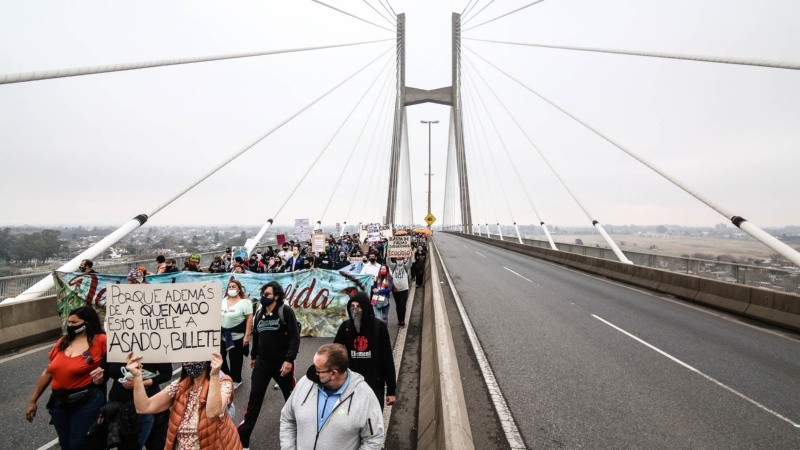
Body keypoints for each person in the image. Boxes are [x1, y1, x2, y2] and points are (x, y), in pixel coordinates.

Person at [26, 306, 107, 450]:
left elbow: (114, 364)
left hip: (87, 401)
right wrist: (33, 400)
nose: (70, 325)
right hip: (59, 403)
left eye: (74, 323)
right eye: (68, 322)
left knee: (79, 443)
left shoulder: (101, 340)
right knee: (65, 444)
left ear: (87, 322)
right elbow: (49, 372)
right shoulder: (62, 342)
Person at [127, 352, 242, 450]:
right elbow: (144, 407)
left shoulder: (223, 383)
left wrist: (214, 375)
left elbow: (213, 412)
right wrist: (137, 377)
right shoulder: (179, 386)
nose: (190, 361)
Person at [279, 343, 384, 449]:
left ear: (333, 374)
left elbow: (373, 440)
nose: (312, 372)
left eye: (317, 369)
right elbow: (287, 418)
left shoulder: (364, 396)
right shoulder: (304, 383)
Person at [237, 281, 300, 449]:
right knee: (254, 399)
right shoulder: (259, 313)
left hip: (282, 364)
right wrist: (253, 356)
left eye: (267, 294)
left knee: (291, 398)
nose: (264, 297)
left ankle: (298, 431)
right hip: (262, 364)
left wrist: (289, 360)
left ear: (277, 296)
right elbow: (256, 336)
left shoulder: (285, 311)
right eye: (263, 293)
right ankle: (244, 440)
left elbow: (294, 337)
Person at [333, 293, 396, 410]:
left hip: (374, 385)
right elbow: (334, 355)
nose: (355, 310)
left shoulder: (378, 327)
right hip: (351, 386)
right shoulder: (345, 327)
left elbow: (387, 358)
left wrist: (391, 390)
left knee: (373, 422)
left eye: (359, 306)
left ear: (365, 307)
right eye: (352, 306)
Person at [103, 359, 172, 449]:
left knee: (157, 444)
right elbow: (104, 372)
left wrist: (140, 383)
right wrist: (98, 378)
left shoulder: (155, 350)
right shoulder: (114, 349)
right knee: (126, 446)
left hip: (149, 406)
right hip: (121, 407)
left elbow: (166, 374)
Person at [221, 279, 253, 389]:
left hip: (237, 336)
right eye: (229, 287)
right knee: (219, 358)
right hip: (222, 336)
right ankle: (227, 376)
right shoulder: (224, 300)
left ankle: (237, 379)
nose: (231, 289)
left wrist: (247, 336)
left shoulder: (245, 302)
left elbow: (249, 319)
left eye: (234, 287)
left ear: (239, 289)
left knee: (235, 360)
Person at [388, 257, 413, 327]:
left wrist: (410, 255)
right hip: (395, 290)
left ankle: (403, 320)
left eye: (400, 259)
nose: (399, 261)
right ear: (396, 260)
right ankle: (399, 320)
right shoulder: (393, 266)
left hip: (404, 289)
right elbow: (388, 262)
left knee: (403, 305)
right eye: (398, 259)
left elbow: (410, 262)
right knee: (398, 306)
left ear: (403, 260)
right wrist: (388, 253)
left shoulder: (406, 266)